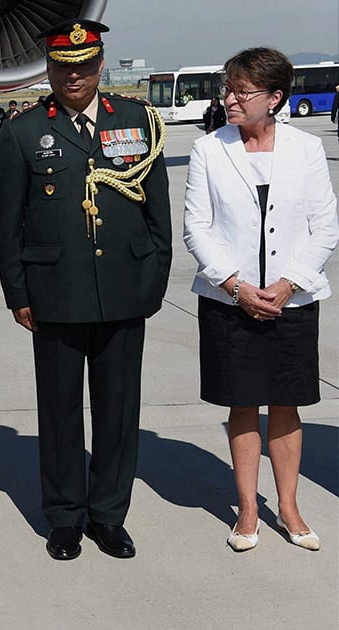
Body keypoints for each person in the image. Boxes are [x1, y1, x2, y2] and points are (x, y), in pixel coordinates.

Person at [0, 19, 172, 561]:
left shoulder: (136, 120)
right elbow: (8, 222)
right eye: (64, 67)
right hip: (55, 293)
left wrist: (154, 277)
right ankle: (65, 517)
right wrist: (17, 293)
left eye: (85, 66)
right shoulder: (23, 132)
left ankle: (109, 516)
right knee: (61, 411)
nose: (75, 75)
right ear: (49, 68)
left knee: (118, 412)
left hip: (123, 289)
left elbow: (156, 208)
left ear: (100, 65)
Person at [183, 47, 338, 553]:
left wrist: (290, 282)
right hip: (231, 301)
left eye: (241, 91)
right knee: (243, 401)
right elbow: (196, 228)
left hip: (290, 301)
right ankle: (248, 510)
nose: (229, 99)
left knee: (286, 403)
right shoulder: (210, 149)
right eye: (227, 89)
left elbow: (324, 227)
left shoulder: (306, 149)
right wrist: (235, 285)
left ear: (274, 98)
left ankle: (288, 507)